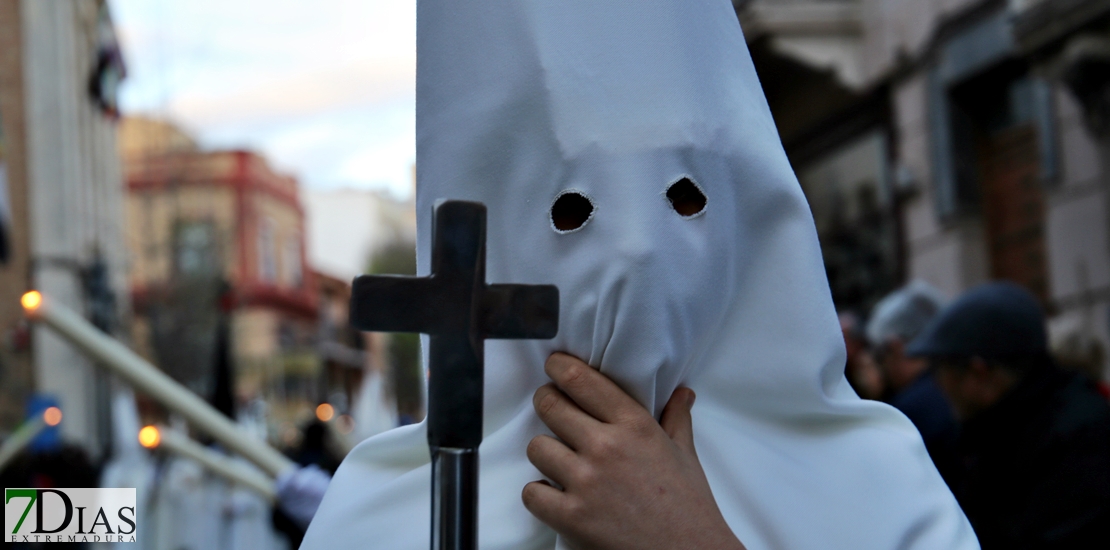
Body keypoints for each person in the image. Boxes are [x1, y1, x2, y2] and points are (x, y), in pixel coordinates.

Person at [302, 1, 975, 548]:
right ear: (500, 239)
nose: (637, 251)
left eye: (684, 199)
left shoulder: (873, 485)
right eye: (571, 210)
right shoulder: (383, 519)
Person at [907, 281, 1110, 549]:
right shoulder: (1002, 429)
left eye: (939, 369)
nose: (936, 383)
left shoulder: (1080, 440)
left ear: (978, 373)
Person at [866, 281, 958, 478]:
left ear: (895, 347)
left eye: (879, 356)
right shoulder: (957, 389)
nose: (880, 368)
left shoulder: (904, 415)